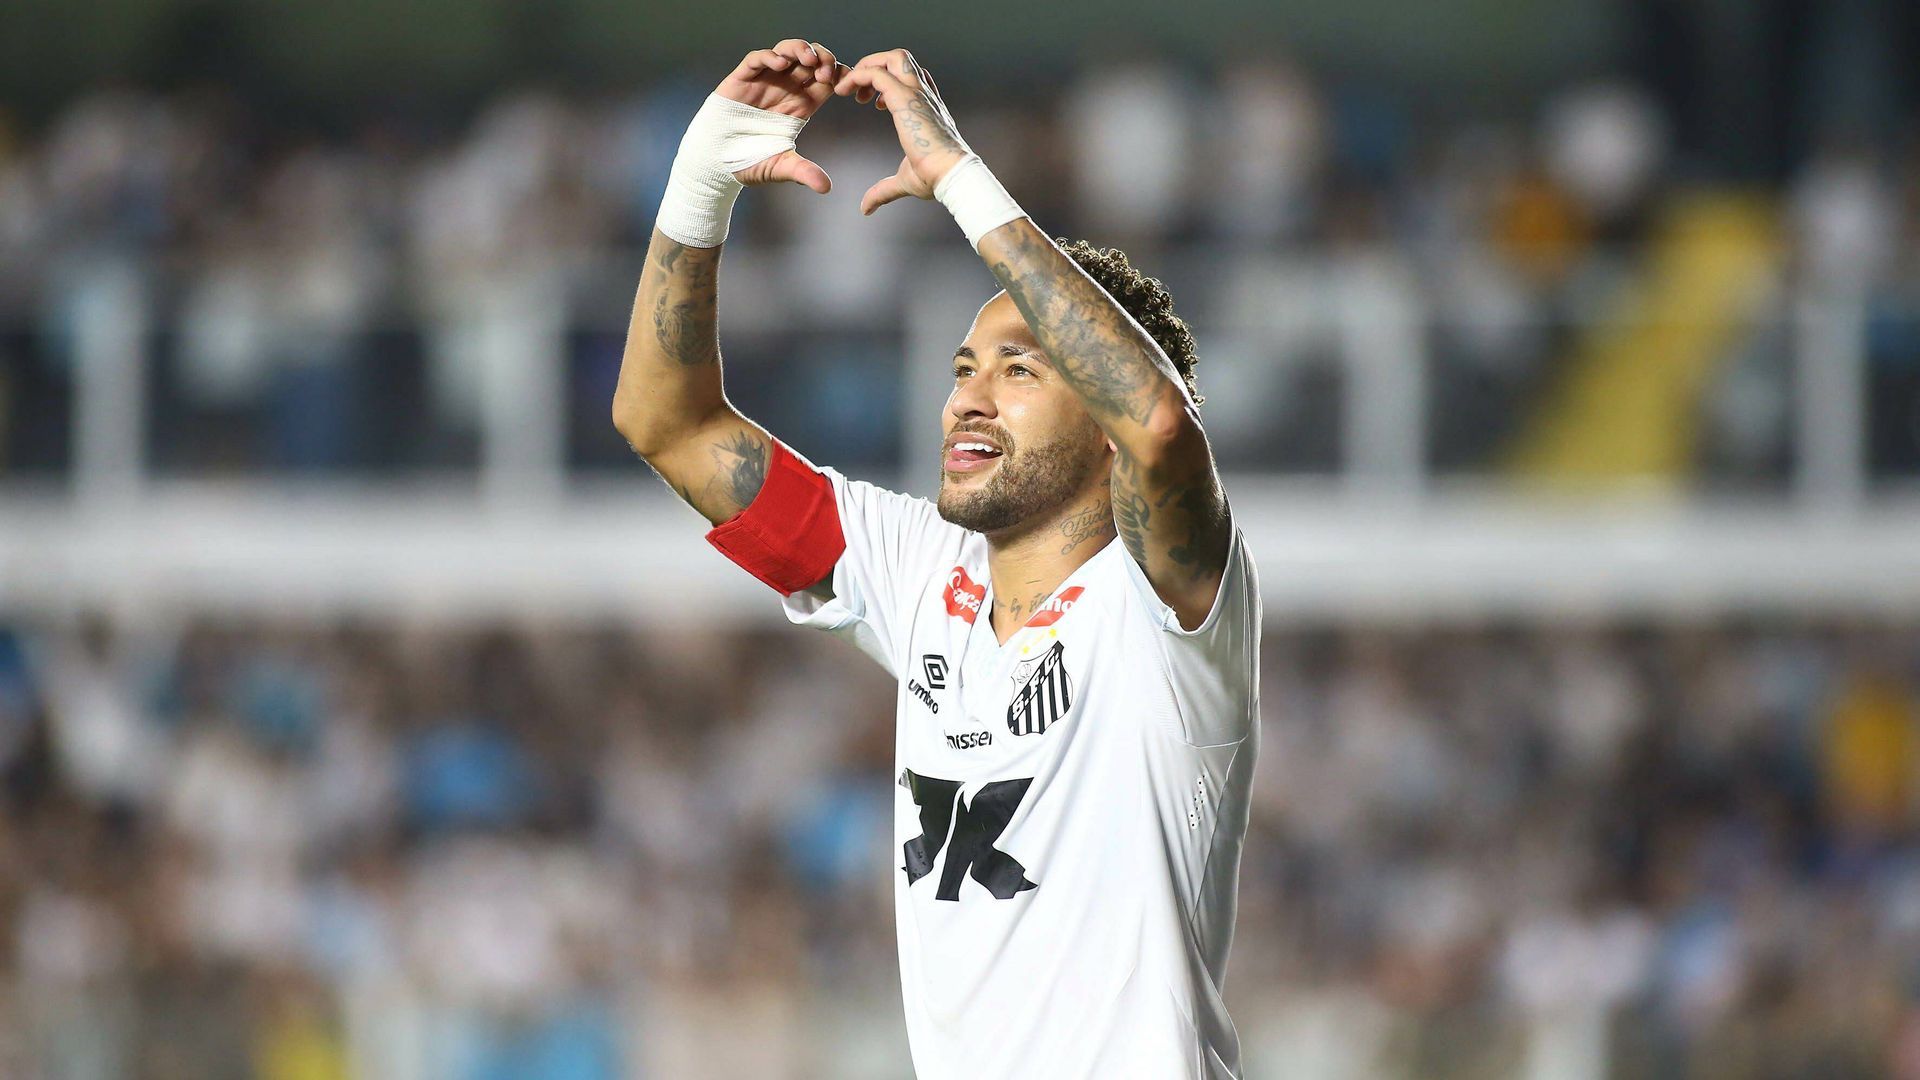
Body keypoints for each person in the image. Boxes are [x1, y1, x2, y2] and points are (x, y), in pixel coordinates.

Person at [612, 39, 1260, 1079]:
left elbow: (1158, 425)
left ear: (1096, 414)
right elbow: (665, 422)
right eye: (964, 367)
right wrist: (700, 185)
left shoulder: (1168, 601)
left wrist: (959, 178)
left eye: (1019, 369)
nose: (967, 395)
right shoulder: (917, 570)